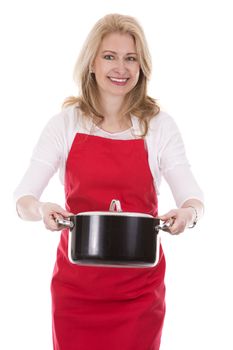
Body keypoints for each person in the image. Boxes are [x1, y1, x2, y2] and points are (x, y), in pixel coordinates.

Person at [14, 13, 204, 350]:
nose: (121, 68)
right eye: (109, 56)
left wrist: (187, 215)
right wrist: (42, 208)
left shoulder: (159, 126)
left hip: (139, 290)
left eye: (131, 58)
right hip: (76, 289)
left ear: (141, 66)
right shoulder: (66, 124)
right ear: (91, 63)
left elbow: (192, 197)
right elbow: (23, 198)